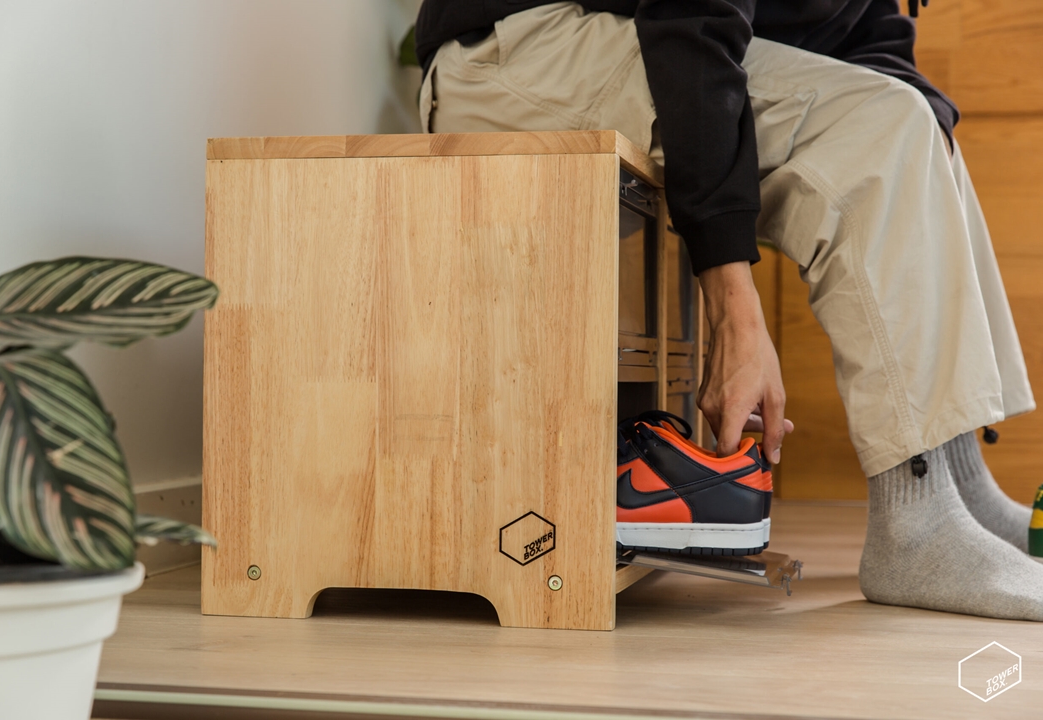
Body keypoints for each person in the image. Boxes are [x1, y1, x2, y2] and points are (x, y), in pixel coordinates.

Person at [413, 0, 1043, 621]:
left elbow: (867, 30)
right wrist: (733, 314)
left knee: (923, 129)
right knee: (885, 124)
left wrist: (933, 137)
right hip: (514, 52)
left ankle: (959, 488)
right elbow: (692, 19)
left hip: (658, 34)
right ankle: (919, 525)